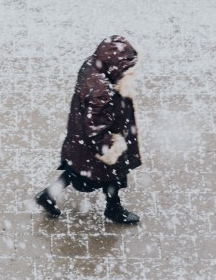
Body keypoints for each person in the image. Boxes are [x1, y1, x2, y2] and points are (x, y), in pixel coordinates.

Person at [35, 35, 142, 224]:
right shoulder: (102, 91)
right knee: (112, 174)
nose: (129, 71)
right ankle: (113, 209)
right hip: (98, 142)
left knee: (75, 170)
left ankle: (48, 195)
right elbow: (95, 128)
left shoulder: (93, 65)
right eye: (126, 68)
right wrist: (111, 148)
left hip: (80, 140)